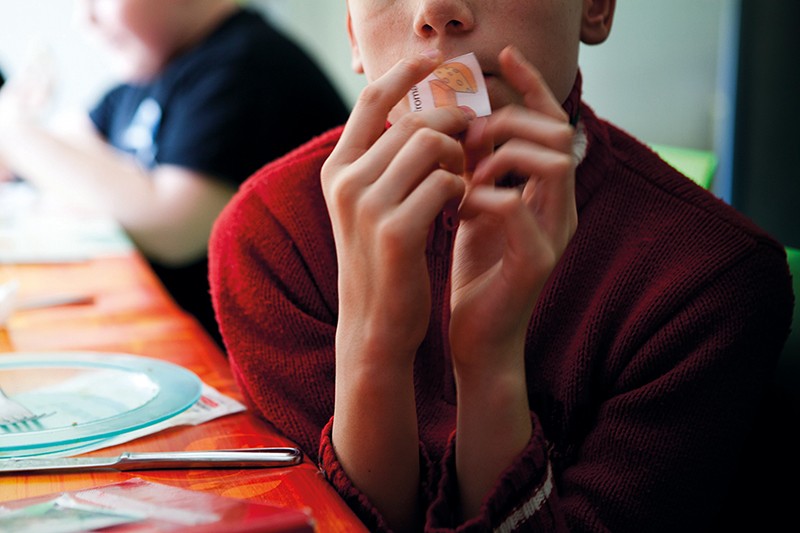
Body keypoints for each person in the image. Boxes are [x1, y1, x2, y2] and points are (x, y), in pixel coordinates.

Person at [209, 1, 794, 531]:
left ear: (594, 8)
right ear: (355, 39)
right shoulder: (272, 234)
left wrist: (490, 367)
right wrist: (372, 340)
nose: (436, 12)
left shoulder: (712, 278)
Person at [0, 0, 350, 346]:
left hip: (264, 363)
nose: (84, 19)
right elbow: (72, 154)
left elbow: (172, 229)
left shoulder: (246, 66)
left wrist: (16, 131)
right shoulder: (148, 76)